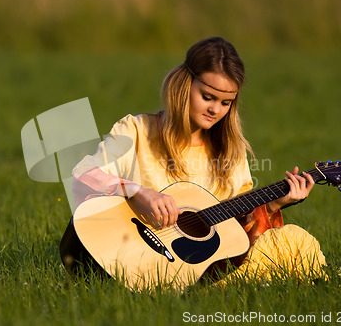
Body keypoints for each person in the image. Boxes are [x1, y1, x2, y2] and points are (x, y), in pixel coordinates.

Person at [70, 37, 326, 286]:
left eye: (226, 103)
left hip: (202, 270)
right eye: (207, 97)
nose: (216, 110)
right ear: (184, 84)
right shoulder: (136, 130)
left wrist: (273, 205)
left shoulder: (230, 151)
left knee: (294, 239)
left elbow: (238, 235)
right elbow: (84, 174)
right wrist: (138, 192)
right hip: (129, 251)